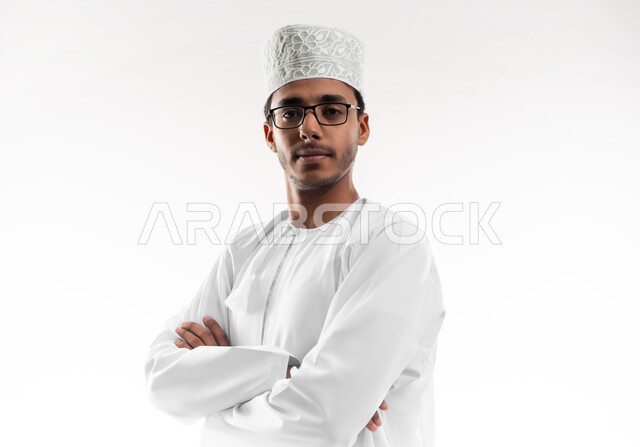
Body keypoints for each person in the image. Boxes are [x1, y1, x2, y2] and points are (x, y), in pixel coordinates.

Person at [145, 24, 446, 447]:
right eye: (290, 112)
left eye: (331, 109)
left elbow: (323, 418)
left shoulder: (390, 243)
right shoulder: (246, 249)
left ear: (361, 127)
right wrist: (285, 370)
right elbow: (163, 379)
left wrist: (220, 393)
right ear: (271, 134)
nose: (310, 128)